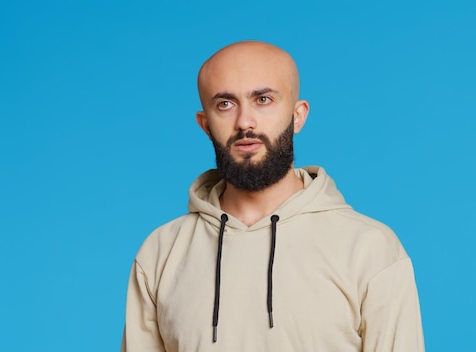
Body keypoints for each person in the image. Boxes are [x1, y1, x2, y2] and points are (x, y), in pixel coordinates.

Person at [121, 41, 425, 352]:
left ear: (298, 116)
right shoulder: (161, 253)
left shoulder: (370, 249)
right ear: (205, 125)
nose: (245, 122)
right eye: (225, 104)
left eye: (263, 100)